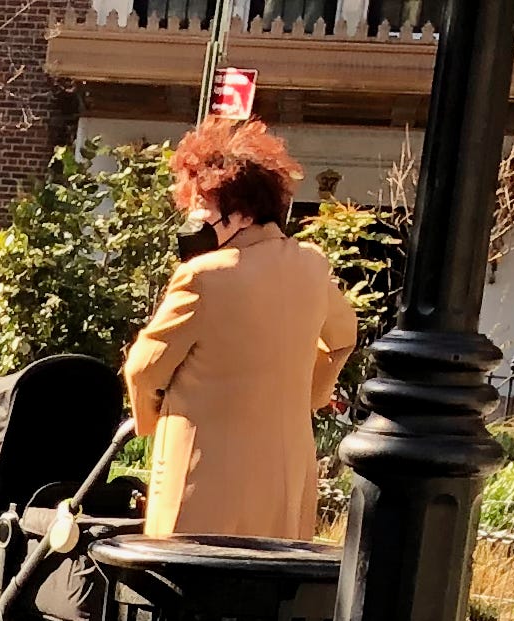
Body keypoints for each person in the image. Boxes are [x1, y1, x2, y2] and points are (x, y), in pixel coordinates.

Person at [122, 117, 357, 542]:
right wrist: (310, 396)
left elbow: (143, 369)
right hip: (284, 483)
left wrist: (150, 421)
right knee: (269, 597)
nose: (194, 220)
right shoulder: (310, 265)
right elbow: (343, 337)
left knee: (188, 594)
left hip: (202, 483)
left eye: (205, 209)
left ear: (243, 213)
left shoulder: (204, 276)